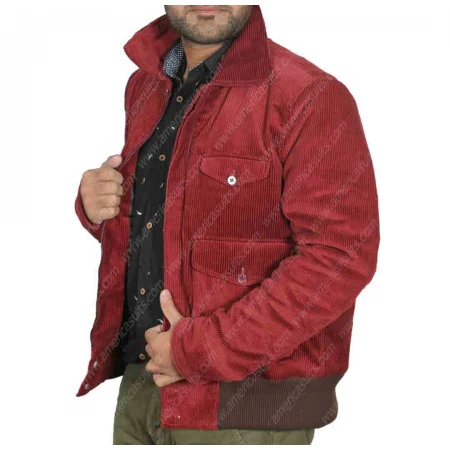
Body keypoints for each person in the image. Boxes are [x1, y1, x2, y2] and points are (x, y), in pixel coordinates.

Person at [75, 5, 380, 445]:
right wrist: (98, 207)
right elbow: (164, 225)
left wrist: (197, 351)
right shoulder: (146, 82)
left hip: (242, 409)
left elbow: (339, 259)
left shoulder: (309, 95)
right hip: (142, 385)